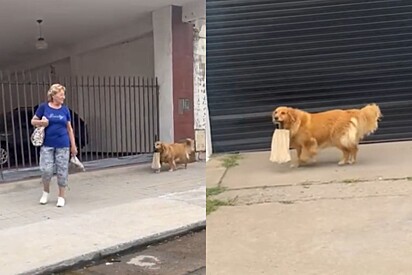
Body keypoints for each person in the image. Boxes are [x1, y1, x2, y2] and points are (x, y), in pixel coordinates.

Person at [31, 84, 77, 207]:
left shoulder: (65, 110)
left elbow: (69, 128)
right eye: (61, 94)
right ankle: (45, 192)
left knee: (62, 171)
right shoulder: (43, 107)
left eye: (63, 94)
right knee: (46, 170)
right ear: (53, 95)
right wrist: (42, 122)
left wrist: (73, 145)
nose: (63, 97)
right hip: (47, 144)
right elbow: (33, 121)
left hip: (63, 144)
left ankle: (61, 196)